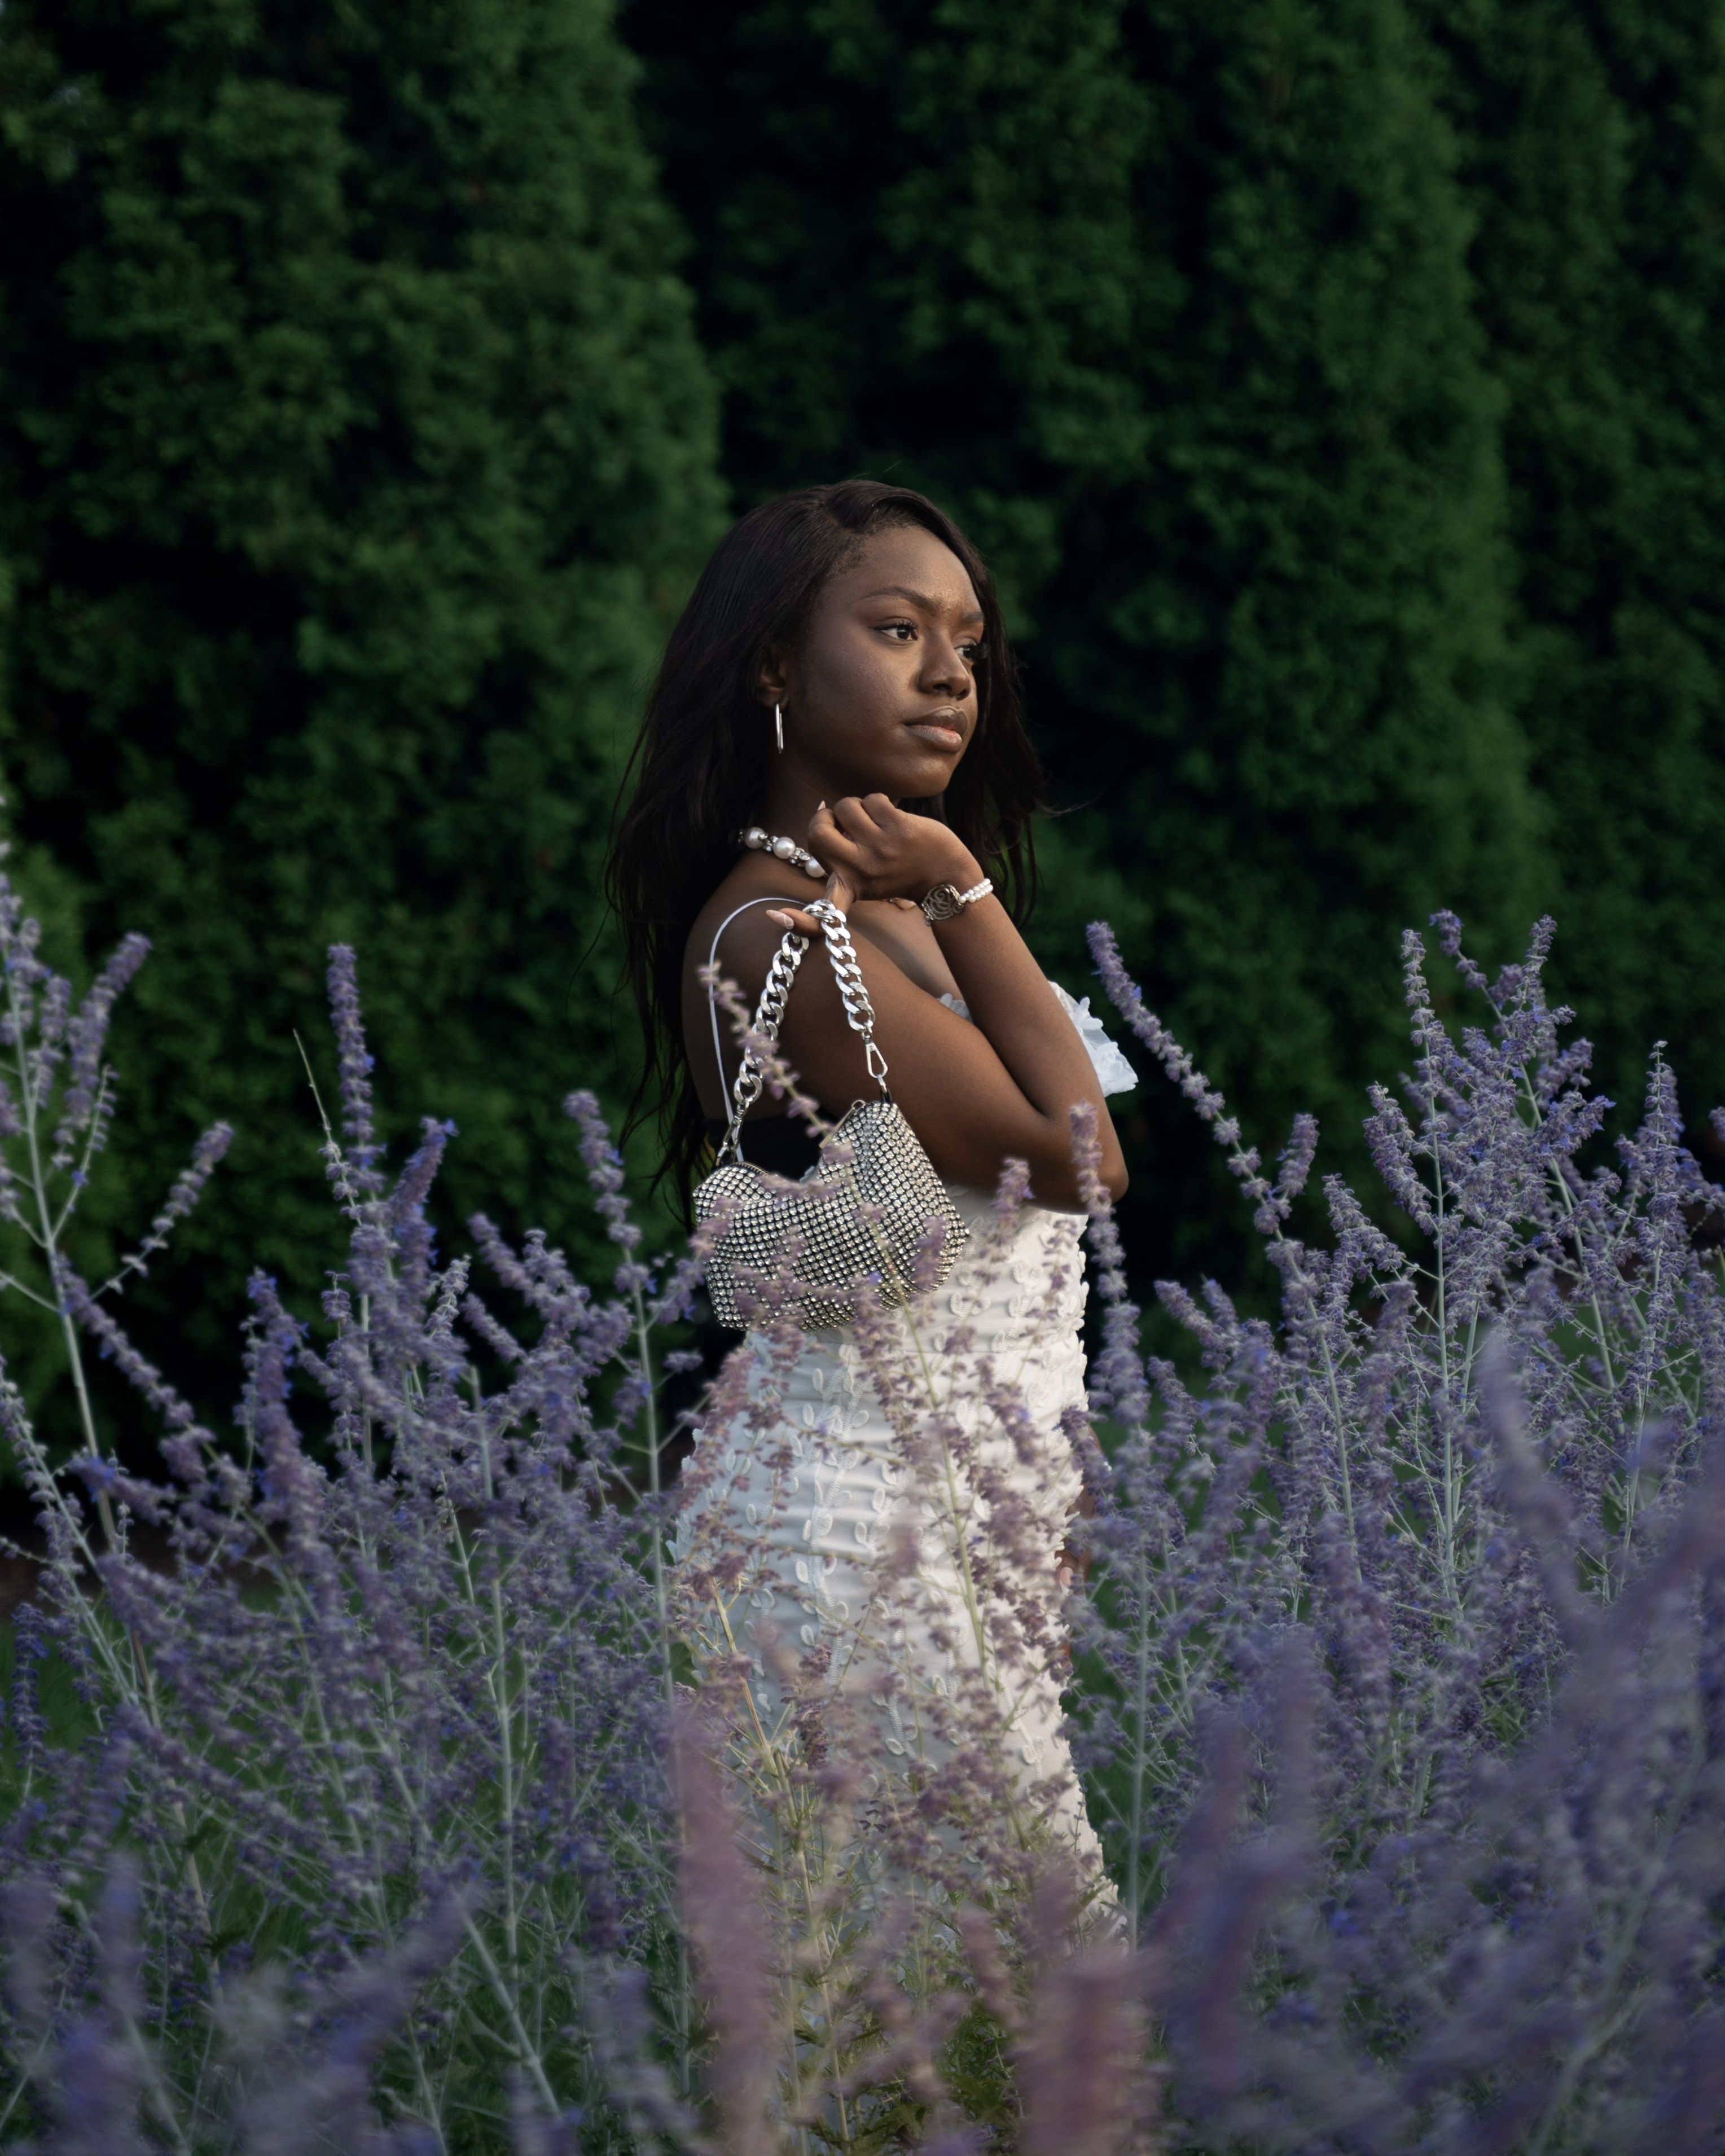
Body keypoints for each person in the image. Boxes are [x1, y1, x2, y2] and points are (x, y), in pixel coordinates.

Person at [609, 480, 1133, 1907]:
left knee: (978, 2056)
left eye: (969, 641)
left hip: (958, 1540)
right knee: (975, 2043)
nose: (951, 674)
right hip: (861, 1554)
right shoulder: (780, 930)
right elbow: (1082, 1162)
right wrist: (966, 881)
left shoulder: (875, 913)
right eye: (898, 630)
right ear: (773, 666)